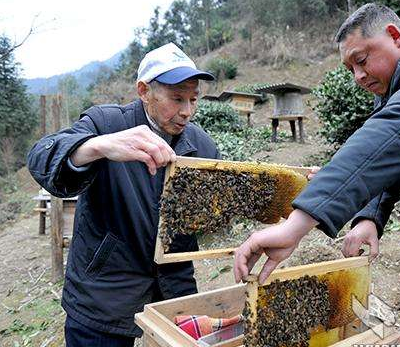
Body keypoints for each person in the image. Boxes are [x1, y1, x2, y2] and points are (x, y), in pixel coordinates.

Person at [27, 42, 218, 347]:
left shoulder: (202, 147)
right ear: (144, 91)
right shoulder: (106, 123)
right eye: (177, 98)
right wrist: (98, 146)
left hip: (174, 292)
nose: (187, 112)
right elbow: (41, 157)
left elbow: (204, 227)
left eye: (193, 100)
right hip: (103, 296)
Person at [234, 3, 400, 285]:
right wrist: (369, 217)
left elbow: (385, 137)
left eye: (361, 60)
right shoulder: (387, 91)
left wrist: (294, 227)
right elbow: (386, 157)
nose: (358, 76)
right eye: (350, 69)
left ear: (395, 36)